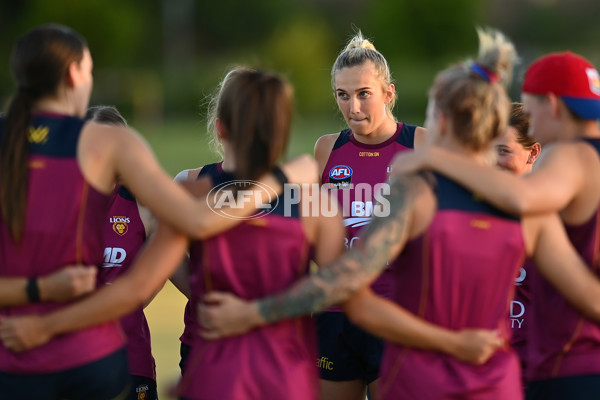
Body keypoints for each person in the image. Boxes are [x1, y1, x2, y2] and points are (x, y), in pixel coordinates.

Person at [0, 65, 504, 400]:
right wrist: (449, 340)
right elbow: (353, 297)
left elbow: (133, 287)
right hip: (287, 377)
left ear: (220, 127)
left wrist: (45, 323)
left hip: (213, 370)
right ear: (286, 128)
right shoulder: (315, 204)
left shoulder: (194, 196)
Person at [193, 28, 600, 399]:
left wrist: (253, 313)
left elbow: (346, 283)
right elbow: (588, 298)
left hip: (420, 380)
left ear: (439, 120)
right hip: (497, 384)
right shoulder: (530, 210)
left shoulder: (412, 198)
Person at [0, 23, 313, 400]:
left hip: (11, 358)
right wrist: (279, 178)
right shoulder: (108, 142)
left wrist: (37, 291)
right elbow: (193, 220)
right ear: (73, 74)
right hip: (88, 361)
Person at [388, 50, 600, 399]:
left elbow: (522, 198)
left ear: (553, 105)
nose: (532, 127)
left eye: (530, 114)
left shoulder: (571, 155)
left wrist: (435, 156)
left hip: (572, 358)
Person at [312, 30, 426, 400]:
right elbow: (310, 230)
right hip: (335, 314)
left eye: (364, 94)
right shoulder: (327, 149)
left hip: (396, 312)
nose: (353, 108)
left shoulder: (421, 144)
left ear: (389, 93)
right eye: (342, 96)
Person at [86, 105, 159, 400]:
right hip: (71, 361)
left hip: (130, 359)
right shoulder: (59, 203)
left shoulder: (143, 202)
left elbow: (175, 271)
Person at [496, 103, 541, 384]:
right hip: (487, 367)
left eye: (503, 151)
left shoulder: (555, 211)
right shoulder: (469, 211)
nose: (492, 161)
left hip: (540, 368)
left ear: (533, 152)